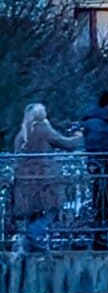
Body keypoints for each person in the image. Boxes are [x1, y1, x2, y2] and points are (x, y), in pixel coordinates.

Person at [11, 103, 82, 249]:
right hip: (45, 178)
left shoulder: (22, 133)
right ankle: (33, 236)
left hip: (26, 179)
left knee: (33, 211)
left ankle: (30, 242)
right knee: (53, 208)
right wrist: (80, 137)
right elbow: (66, 144)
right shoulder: (43, 129)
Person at [82, 91, 108, 247]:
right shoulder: (99, 122)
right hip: (103, 167)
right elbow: (101, 140)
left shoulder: (99, 121)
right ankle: (100, 236)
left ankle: (102, 235)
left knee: (103, 202)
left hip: (103, 167)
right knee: (103, 202)